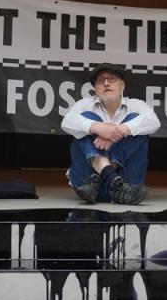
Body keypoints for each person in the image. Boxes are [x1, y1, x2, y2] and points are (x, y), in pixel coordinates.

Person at [61, 63, 159, 205]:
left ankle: (107, 175)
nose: (106, 83)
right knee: (86, 118)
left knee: (137, 122)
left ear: (122, 85)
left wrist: (117, 133)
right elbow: (67, 122)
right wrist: (97, 127)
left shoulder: (136, 104)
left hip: (127, 188)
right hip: (88, 186)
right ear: (95, 89)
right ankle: (109, 175)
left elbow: (154, 122)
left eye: (111, 79)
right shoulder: (84, 104)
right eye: (101, 81)